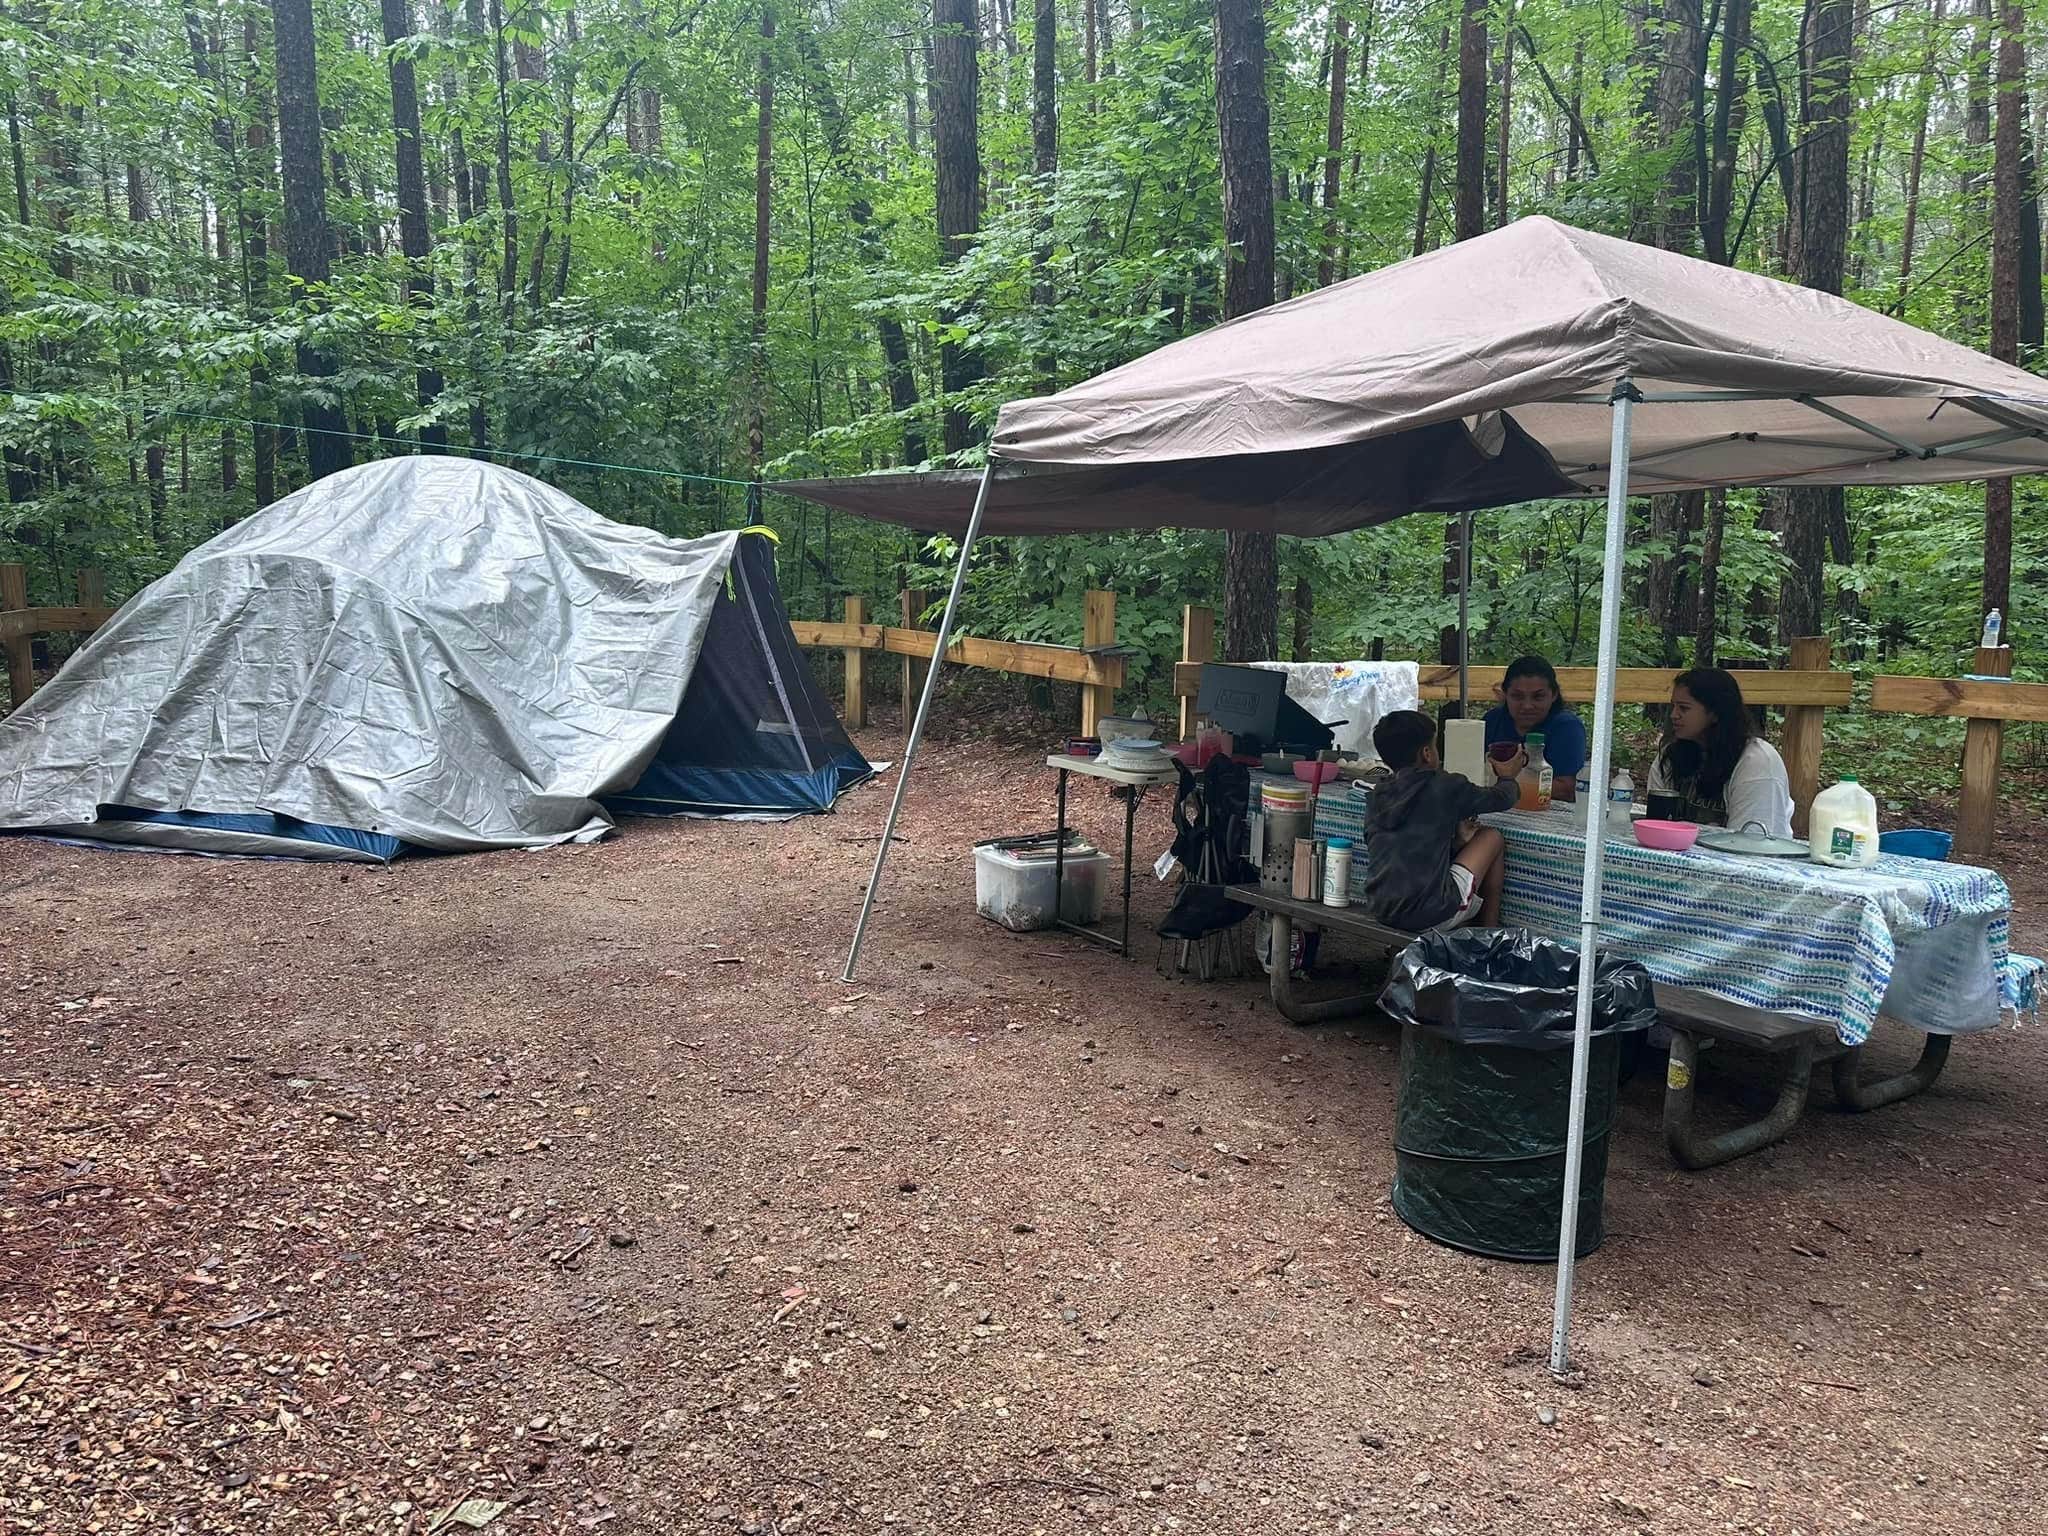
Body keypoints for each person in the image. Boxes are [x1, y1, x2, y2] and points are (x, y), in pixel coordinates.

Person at [1365, 710, 1522, 930]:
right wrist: (1507, 777)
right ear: (1427, 753)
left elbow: (1403, 848)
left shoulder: (1377, 794)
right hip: (1429, 913)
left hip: (1382, 908)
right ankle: (1489, 932)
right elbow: (1502, 799)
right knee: (1492, 837)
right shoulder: (1444, 786)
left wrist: (1457, 844)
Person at [1647, 667, 1794, 837]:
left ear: (1715, 713)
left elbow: (1752, 840)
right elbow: (1655, 824)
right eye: (1673, 706)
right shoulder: (1671, 755)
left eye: (1684, 708)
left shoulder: (1757, 762)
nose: (1674, 715)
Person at [1483, 656, 1587, 801]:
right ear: (1505, 694)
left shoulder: (1567, 726)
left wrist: (1503, 782)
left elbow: (1567, 789)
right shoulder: (1492, 720)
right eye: (1517, 697)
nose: (1527, 706)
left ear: (1554, 695)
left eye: (1538, 697)